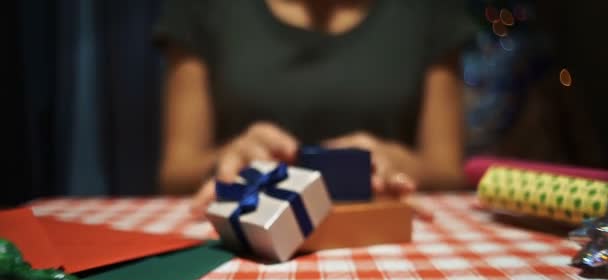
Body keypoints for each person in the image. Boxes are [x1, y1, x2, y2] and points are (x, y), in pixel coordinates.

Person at [154, 0, 475, 215]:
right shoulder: (203, 8)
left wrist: (398, 161)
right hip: (249, 217)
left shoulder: (430, 9)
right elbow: (177, 171)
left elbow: (447, 170)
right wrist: (226, 162)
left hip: (379, 220)